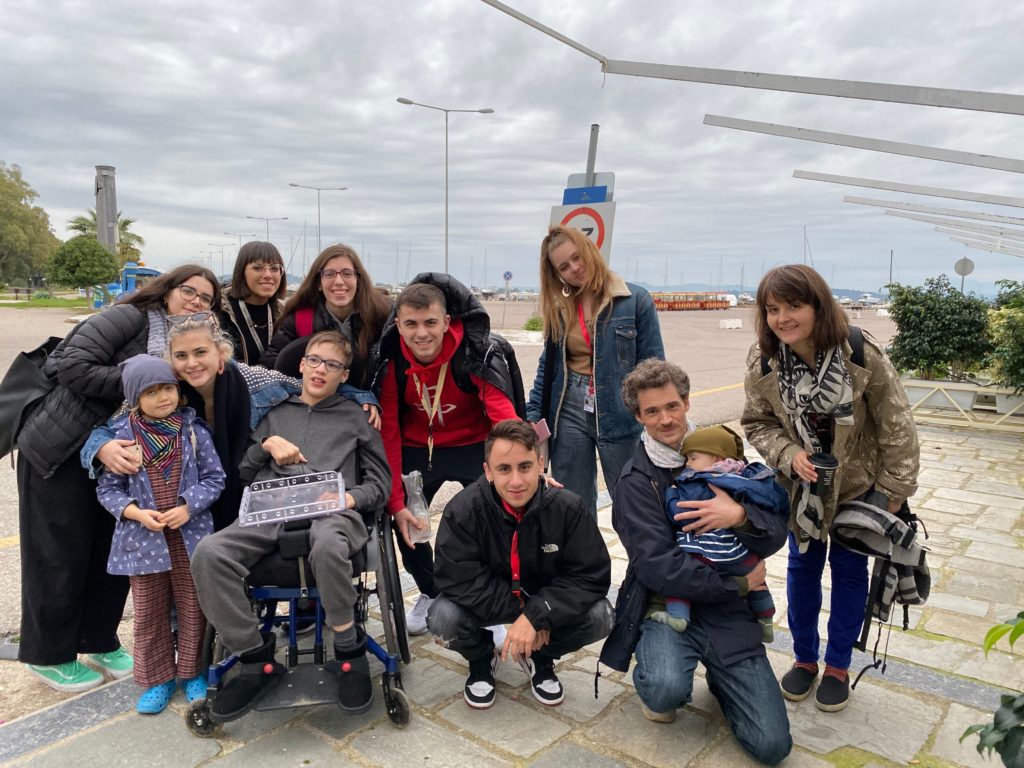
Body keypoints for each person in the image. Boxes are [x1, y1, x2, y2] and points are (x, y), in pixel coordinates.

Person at [17, 264, 220, 693]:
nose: (196, 301)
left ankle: (100, 640)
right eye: (190, 291)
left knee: (110, 552)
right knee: (58, 554)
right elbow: (72, 366)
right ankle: (48, 654)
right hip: (61, 448)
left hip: (118, 452)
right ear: (168, 289)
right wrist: (144, 379)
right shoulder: (130, 318)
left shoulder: (180, 343)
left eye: (206, 298)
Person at [742, 264, 919, 712]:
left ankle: (838, 665)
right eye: (773, 309)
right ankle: (804, 658)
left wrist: (893, 493)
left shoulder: (859, 353)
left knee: (849, 572)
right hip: (802, 491)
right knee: (802, 571)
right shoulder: (765, 360)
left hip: (858, 487)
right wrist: (787, 453)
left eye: (794, 306)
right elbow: (757, 422)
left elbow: (897, 424)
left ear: (818, 306)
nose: (783, 318)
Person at [599, 359, 792, 766]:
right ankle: (656, 677)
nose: (666, 419)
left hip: (729, 613)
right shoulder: (635, 481)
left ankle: (724, 679)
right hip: (666, 606)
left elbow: (777, 529)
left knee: (772, 745)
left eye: (672, 406)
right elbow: (657, 566)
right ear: (638, 417)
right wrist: (738, 585)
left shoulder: (720, 452)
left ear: (687, 402)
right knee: (665, 690)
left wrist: (739, 517)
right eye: (652, 411)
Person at [190, 331, 391, 718]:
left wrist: (349, 499)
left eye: (332, 365)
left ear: (344, 375)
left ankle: (348, 647)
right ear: (301, 364)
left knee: (327, 543)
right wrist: (264, 447)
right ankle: (254, 657)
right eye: (314, 360)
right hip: (272, 508)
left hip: (332, 511)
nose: (320, 370)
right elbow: (243, 472)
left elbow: (380, 483)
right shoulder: (274, 412)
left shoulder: (356, 417)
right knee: (209, 553)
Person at [83, 315, 377, 533]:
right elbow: (112, 427)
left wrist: (362, 396)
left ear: (220, 353)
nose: (192, 363)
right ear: (171, 361)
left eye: (201, 352)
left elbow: (308, 384)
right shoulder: (163, 391)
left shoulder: (252, 380)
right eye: (181, 356)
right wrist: (101, 448)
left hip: (238, 489)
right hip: (182, 501)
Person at [372, 274, 522, 635]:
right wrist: (396, 502)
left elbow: (503, 414)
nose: (421, 333)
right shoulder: (392, 363)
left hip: (472, 444)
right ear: (398, 325)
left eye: (430, 323)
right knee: (406, 522)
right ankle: (430, 591)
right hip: (417, 447)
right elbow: (388, 430)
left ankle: (491, 599)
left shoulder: (473, 353)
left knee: (499, 515)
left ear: (446, 322)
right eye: (411, 324)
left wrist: (522, 466)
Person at [428, 419, 612, 709]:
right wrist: (529, 615)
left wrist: (540, 615)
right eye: (504, 469)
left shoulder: (568, 508)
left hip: (543, 599)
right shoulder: (463, 510)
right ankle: (482, 657)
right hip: (492, 602)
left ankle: (540, 656)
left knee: (601, 616)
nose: (516, 481)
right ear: (488, 471)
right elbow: (456, 578)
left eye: (524, 467)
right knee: (442, 618)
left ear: (540, 464)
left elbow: (590, 575)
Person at [96, 355, 225, 714]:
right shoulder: (123, 439)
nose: (162, 397)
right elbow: (108, 490)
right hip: (143, 542)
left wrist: (187, 506)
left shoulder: (194, 432)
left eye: (167, 388)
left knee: (194, 607)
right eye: (150, 392)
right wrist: (135, 512)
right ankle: (158, 679)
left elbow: (215, 479)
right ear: (135, 399)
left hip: (190, 538)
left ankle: (192, 672)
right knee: (149, 613)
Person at [526, 225, 665, 518]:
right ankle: (582, 550)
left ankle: (640, 550)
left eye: (577, 257)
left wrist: (654, 417)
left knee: (633, 503)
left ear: (590, 250)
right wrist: (533, 416)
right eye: (564, 266)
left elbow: (654, 368)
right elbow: (547, 369)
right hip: (568, 410)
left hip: (619, 408)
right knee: (573, 503)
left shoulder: (635, 300)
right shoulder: (560, 308)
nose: (574, 268)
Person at [658, 425, 789, 643]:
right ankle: (765, 620)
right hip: (741, 553)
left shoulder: (700, 481)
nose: (687, 464)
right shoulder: (748, 478)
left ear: (716, 458)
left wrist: (671, 493)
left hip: (712, 553)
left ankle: (678, 616)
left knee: (681, 576)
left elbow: (681, 514)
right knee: (757, 579)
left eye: (692, 458)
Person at [261, 244, 391, 391]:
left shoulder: (382, 315)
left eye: (347, 273)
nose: (339, 281)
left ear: (358, 280)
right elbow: (272, 363)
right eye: (329, 274)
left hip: (372, 398)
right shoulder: (301, 320)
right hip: (318, 399)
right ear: (318, 283)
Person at [217, 241, 287, 365]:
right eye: (257, 268)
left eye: (274, 268)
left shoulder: (283, 314)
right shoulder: (221, 312)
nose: (268, 275)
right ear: (242, 272)